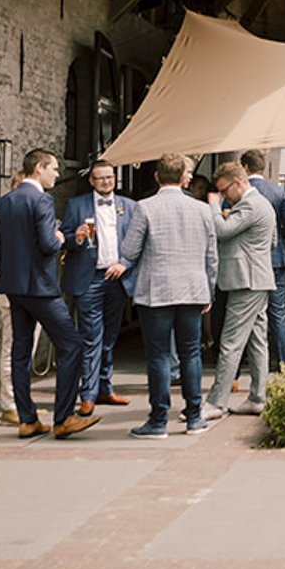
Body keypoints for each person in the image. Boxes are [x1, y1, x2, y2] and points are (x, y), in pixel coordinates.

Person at [0, 148, 97, 439]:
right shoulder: (42, 200)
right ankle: (63, 418)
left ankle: (28, 420)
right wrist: (61, 237)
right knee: (72, 345)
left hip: (14, 288)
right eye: (54, 168)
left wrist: (14, 273)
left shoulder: (5, 201)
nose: (58, 174)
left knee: (20, 353)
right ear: (39, 167)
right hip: (41, 288)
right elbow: (49, 244)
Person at [113, 152, 217, 437]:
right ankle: (194, 416)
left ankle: (158, 420)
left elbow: (129, 250)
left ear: (157, 176)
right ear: (184, 178)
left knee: (158, 355)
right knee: (191, 353)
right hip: (193, 289)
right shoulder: (202, 209)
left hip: (156, 290)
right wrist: (209, 290)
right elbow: (212, 256)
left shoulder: (145, 207)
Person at [204, 161, 277, 419]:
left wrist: (214, 206)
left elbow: (222, 230)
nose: (224, 196)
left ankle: (216, 403)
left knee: (230, 343)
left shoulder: (250, 204)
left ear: (237, 183)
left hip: (247, 281)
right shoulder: (262, 204)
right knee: (257, 342)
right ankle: (258, 397)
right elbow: (272, 241)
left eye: (225, 190)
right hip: (257, 279)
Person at [59, 160, 132, 415]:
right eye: (100, 178)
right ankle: (88, 395)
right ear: (91, 181)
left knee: (109, 338)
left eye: (109, 177)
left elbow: (138, 242)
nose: (106, 182)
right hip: (89, 278)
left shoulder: (128, 206)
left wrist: (125, 264)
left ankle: (104, 388)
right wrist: (76, 238)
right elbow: (64, 239)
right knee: (91, 337)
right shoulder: (76, 205)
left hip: (117, 278)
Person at [241, 149, 285, 371]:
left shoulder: (240, 191)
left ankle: (244, 363)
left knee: (245, 314)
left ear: (245, 167)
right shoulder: (278, 191)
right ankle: (283, 362)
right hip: (275, 259)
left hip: (247, 260)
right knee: (278, 313)